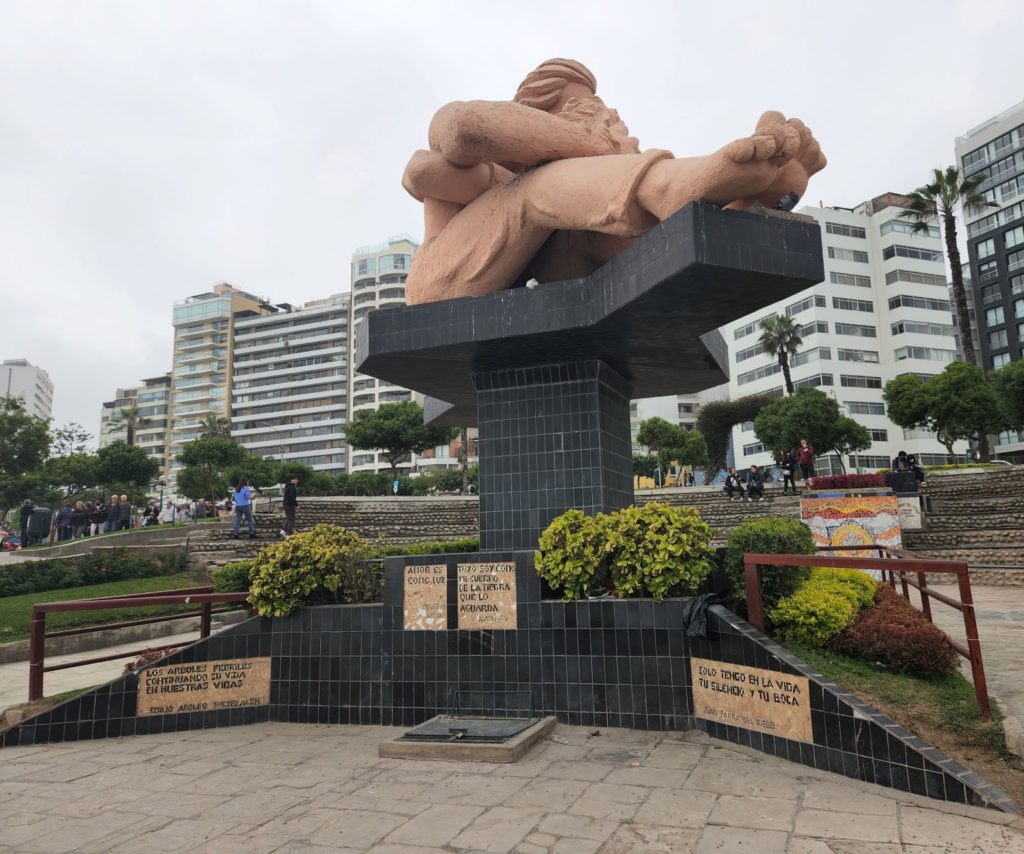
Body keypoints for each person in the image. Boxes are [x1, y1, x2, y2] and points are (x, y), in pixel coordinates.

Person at [402, 59, 826, 305]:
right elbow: (457, 133)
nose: (602, 111)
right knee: (539, 187)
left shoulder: (563, 197)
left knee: (597, 227)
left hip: (540, 262)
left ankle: (747, 203)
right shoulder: (500, 171)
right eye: (580, 104)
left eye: (599, 105)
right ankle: (669, 187)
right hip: (439, 283)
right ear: (534, 116)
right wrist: (596, 143)